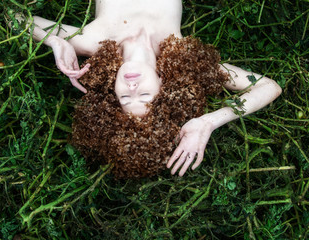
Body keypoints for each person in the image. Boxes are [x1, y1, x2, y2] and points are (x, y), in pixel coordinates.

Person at [27, 0, 282, 178]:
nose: (132, 86)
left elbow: (13, 16)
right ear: (165, 86)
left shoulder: (94, 42)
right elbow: (267, 86)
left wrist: (55, 41)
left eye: (125, 97)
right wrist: (208, 122)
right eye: (145, 96)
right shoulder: (182, 54)